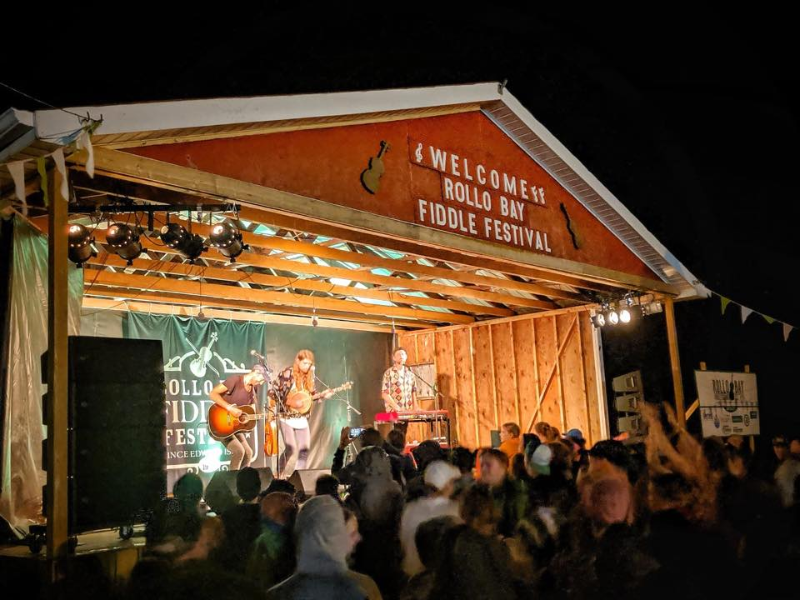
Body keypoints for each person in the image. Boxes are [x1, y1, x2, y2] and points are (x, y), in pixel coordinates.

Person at [269, 350, 333, 476]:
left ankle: (298, 477)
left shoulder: (309, 377)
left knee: (304, 450)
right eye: (304, 363)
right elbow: (273, 393)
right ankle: (278, 475)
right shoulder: (287, 373)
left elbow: (310, 397)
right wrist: (291, 402)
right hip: (286, 417)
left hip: (301, 418)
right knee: (290, 448)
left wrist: (323, 396)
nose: (307, 366)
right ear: (298, 361)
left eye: (309, 364)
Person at [209, 364, 268, 470]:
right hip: (220, 423)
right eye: (262, 379)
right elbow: (213, 394)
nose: (262, 382)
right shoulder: (235, 380)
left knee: (248, 453)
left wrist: (261, 416)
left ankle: (242, 478)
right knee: (239, 451)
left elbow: (250, 411)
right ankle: (232, 479)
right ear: (255, 372)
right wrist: (230, 408)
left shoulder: (253, 389)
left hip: (234, 426)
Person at [381, 348, 417, 435]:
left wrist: (415, 407)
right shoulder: (389, 373)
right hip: (394, 410)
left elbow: (413, 391)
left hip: (406, 410)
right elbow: (385, 394)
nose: (401, 356)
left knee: (403, 432)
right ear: (394, 358)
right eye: (398, 354)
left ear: (406, 357)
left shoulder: (410, 374)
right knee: (397, 433)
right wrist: (396, 407)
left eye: (403, 354)